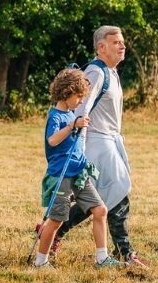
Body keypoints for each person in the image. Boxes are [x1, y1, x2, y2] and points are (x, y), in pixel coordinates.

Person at [52, 26, 148, 269]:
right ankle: (125, 252)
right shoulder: (95, 72)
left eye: (122, 42)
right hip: (96, 141)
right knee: (118, 190)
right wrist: (78, 149)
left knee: (99, 197)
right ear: (101, 47)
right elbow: (81, 108)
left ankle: (54, 233)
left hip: (109, 140)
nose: (122, 45)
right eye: (115, 42)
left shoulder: (111, 72)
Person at [32, 68, 119, 269]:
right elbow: (52, 140)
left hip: (80, 173)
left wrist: (78, 124)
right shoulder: (56, 117)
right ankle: (40, 261)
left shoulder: (71, 114)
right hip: (61, 175)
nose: (81, 101)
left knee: (100, 210)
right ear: (67, 93)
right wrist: (72, 126)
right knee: (56, 220)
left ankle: (102, 258)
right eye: (79, 96)